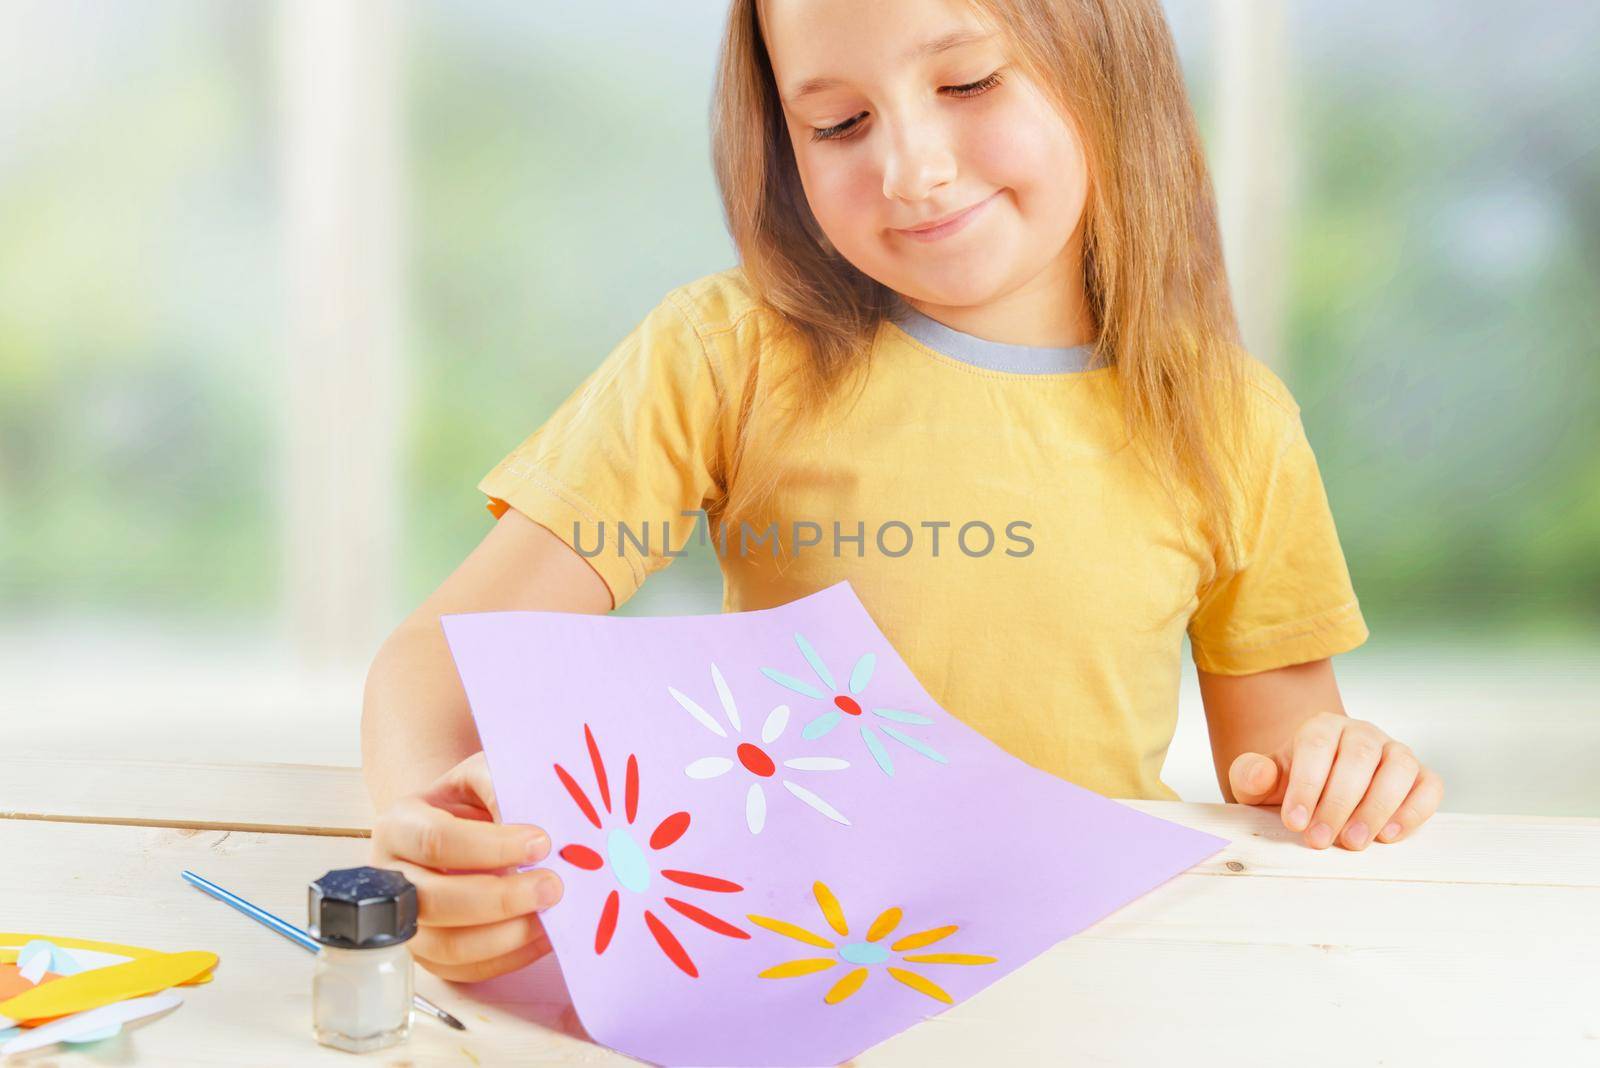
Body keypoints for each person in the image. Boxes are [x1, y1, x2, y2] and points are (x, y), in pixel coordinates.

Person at [362, 0, 1443, 983]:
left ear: (1107, 66)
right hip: (779, 970)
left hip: (1088, 979)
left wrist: (1341, 772)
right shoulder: (728, 354)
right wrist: (431, 830)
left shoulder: (1234, 425)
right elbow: (439, 659)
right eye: (837, 124)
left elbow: (1282, 772)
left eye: (969, 84)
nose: (911, 168)